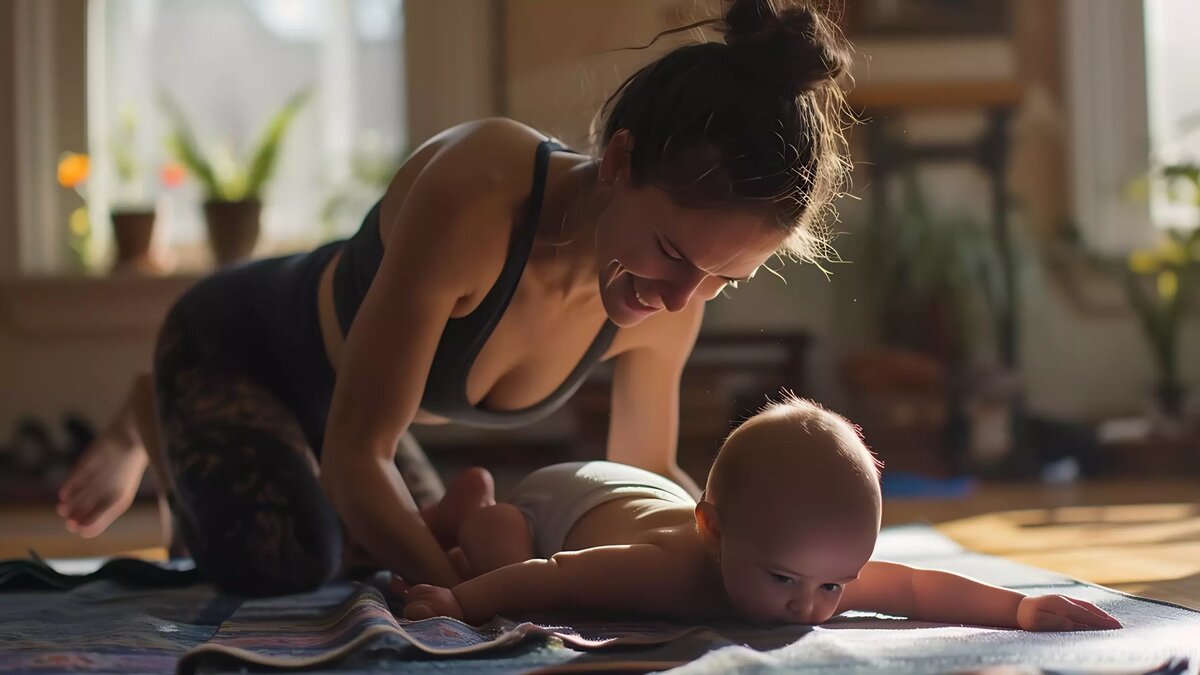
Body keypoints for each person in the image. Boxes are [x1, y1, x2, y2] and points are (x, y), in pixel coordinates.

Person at [56, 0, 854, 596]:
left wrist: (743, 555)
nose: (686, 299)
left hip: (359, 411)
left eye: (724, 278)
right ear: (618, 163)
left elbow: (639, 475)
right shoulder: (480, 192)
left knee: (447, 545)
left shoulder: (671, 296)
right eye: (674, 253)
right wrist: (469, 602)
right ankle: (148, 413)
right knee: (290, 560)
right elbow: (356, 453)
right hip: (235, 348)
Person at [403, 397, 1123, 631]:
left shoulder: (812, 571)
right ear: (712, 531)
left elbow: (913, 588)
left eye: (835, 586)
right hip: (561, 498)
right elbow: (554, 578)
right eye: (784, 578)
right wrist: (458, 599)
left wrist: (1024, 610)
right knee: (502, 551)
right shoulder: (662, 569)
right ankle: (471, 508)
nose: (809, 606)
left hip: (638, 490)